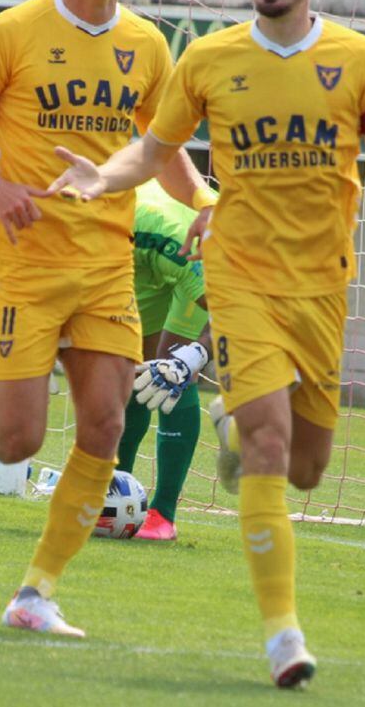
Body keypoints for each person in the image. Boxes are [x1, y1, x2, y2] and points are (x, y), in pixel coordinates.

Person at [46, 0, 365, 685]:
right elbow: (153, 151)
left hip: (322, 289)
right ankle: (284, 636)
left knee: (304, 467)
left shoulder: (359, 60)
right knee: (274, 445)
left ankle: (241, 438)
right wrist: (100, 176)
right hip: (239, 275)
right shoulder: (209, 60)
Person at [0, 0, 212, 638]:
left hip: (105, 266)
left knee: (104, 421)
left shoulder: (150, 45)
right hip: (28, 261)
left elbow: (162, 151)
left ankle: (36, 591)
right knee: (19, 441)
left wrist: (206, 201)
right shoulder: (13, 32)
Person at [117, 170, 214, 542]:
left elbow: (234, 311)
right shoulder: (88, 232)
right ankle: (111, 493)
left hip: (195, 249)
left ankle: (163, 514)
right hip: (139, 256)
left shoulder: (173, 243)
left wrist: (194, 357)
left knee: (170, 365)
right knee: (132, 369)